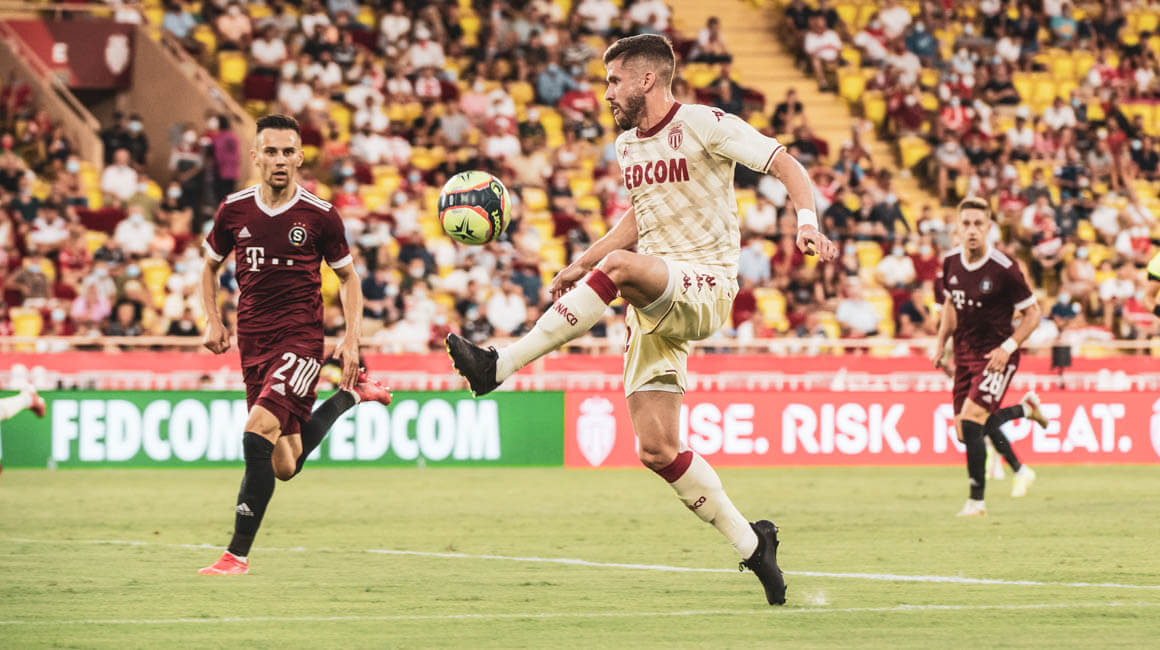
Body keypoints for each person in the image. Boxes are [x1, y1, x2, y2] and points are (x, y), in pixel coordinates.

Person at [445, 35, 838, 606]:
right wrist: (583, 262)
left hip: (706, 284)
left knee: (622, 268)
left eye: (613, 81)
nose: (606, 93)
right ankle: (755, 545)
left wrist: (806, 222)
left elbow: (785, 162)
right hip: (657, 299)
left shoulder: (705, 124)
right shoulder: (628, 145)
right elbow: (641, 214)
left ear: (647, 80)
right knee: (657, 449)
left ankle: (497, 365)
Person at [197, 114, 392, 576]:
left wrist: (351, 339)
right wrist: (213, 320)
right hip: (252, 343)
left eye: (288, 151)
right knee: (284, 464)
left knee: (255, 432)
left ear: (301, 157)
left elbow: (349, 278)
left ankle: (236, 554)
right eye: (271, 151)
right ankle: (350, 396)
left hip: (300, 340)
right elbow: (208, 267)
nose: (280, 160)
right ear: (255, 157)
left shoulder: (320, 215)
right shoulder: (234, 210)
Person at [932, 198, 1048, 518]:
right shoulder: (950, 263)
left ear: (989, 228)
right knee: (965, 432)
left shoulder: (1005, 269)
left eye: (978, 224)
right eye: (966, 224)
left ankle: (976, 502)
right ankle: (1025, 410)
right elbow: (950, 307)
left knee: (973, 421)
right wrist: (940, 343)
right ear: (957, 227)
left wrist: (1008, 347)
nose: (972, 230)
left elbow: (1033, 314)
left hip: (997, 356)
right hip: (964, 353)